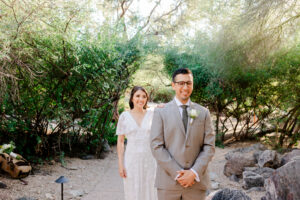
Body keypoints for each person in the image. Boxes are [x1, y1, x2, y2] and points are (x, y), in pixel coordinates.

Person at [150, 68, 215, 200]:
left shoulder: (203, 112)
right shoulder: (161, 112)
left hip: (196, 184)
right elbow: (156, 146)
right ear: (173, 85)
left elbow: (209, 146)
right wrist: (177, 173)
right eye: (181, 83)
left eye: (189, 83)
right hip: (168, 184)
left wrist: (194, 172)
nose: (185, 87)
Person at [116, 86, 157, 200]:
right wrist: (120, 164)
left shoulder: (151, 115)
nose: (141, 99)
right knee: (132, 190)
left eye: (144, 96)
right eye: (138, 96)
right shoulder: (124, 116)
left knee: (149, 189)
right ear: (132, 98)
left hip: (149, 159)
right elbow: (120, 141)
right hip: (131, 160)